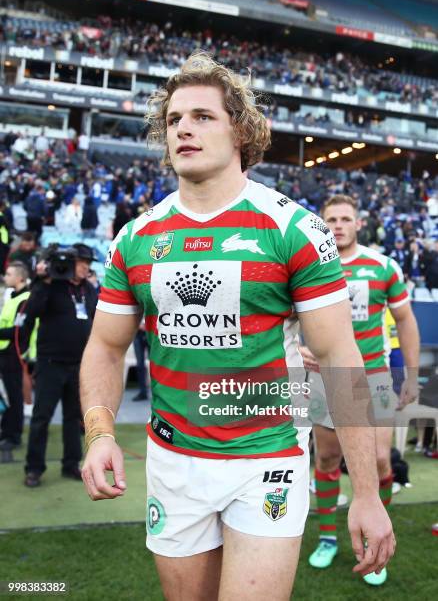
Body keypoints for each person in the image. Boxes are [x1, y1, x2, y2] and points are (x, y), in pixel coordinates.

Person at [80, 53, 394, 600]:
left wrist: (364, 492)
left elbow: (342, 358)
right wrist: (100, 432)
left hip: (267, 457)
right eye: (174, 119)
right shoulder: (135, 237)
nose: (183, 128)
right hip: (173, 458)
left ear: (241, 131)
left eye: (203, 116)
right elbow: (106, 348)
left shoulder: (294, 228)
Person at [304, 194, 419, 586]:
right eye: (331, 219)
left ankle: (376, 544)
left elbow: (405, 319)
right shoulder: (309, 264)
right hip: (324, 377)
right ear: (321, 225)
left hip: (374, 378)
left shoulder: (383, 266)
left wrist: (411, 375)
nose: (337, 225)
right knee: (326, 460)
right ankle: (326, 539)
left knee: (382, 462)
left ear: (358, 223)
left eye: (345, 218)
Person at [23, 244, 98, 487]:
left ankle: (71, 464)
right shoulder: (51, 285)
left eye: (88, 263)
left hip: (79, 364)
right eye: (82, 262)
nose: (86, 266)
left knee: (73, 417)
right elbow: (32, 312)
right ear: (70, 262)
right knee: (41, 417)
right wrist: (42, 281)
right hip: (50, 364)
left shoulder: (88, 289)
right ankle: (34, 468)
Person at [0, 262, 31, 449]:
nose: (5, 277)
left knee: (15, 396)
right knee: (8, 395)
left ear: (20, 277)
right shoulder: (12, 296)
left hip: (15, 354)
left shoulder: (25, 298)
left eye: (9, 274)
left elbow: (18, 331)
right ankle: (6, 431)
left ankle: (14, 435)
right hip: (6, 351)